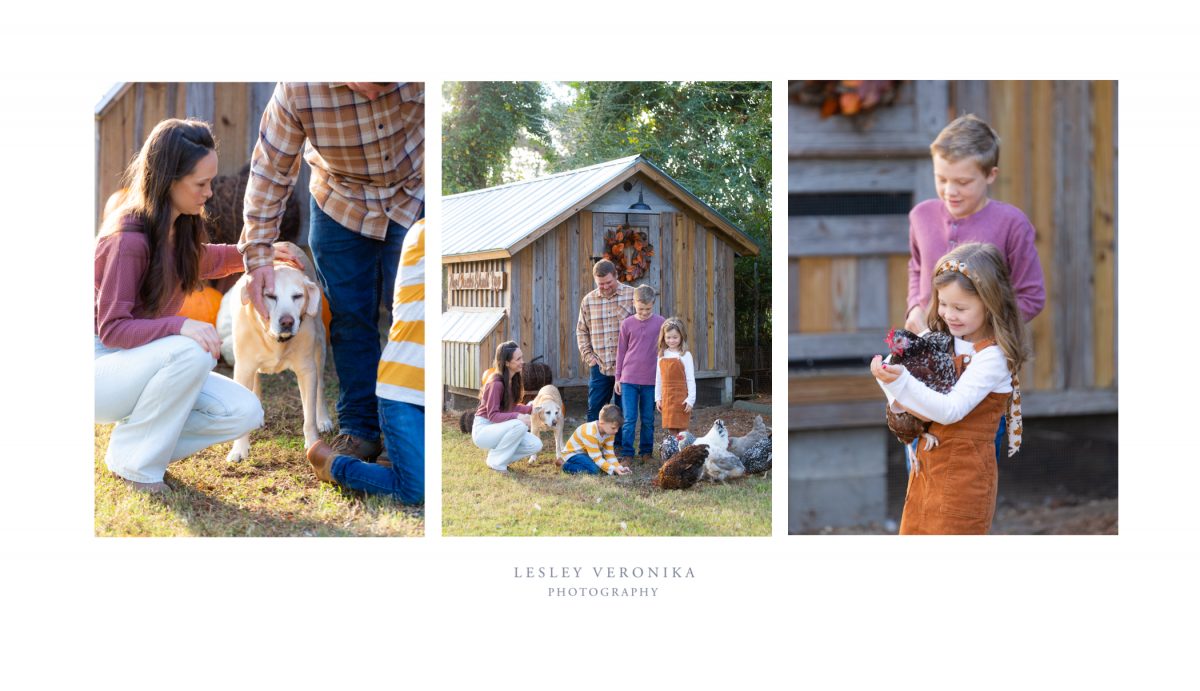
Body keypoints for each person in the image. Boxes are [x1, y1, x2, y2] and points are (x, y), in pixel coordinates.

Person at [239, 82, 424, 461]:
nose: (378, 91)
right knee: (350, 317)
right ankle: (360, 429)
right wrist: (258, 257)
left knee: (411, 318)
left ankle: (407, 432)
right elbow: (271, 171)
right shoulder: (298, 87)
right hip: (340, 201)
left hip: (413, 192)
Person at [94, 118, 272, 493]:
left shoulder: (178, 226)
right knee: (193, 348)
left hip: (145, 362)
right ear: (169, 180)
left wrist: (256, 253)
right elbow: (112, 328)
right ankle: (136, 466)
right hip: (101, 368)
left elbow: (200, 260)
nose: (209, 192)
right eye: (201, 184)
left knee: (244, 412)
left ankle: (133, 445)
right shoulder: (127, 240)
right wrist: (179, 326)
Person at [904, 113, 1045, 462]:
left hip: (978, 376)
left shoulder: (1011, 224)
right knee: (923, 467)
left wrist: (988, 338)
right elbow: (917, 268)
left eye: (963, 181)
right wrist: (915, 309)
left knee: (970, 476)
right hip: (926, 366)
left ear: (990, 175)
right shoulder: (921, 216)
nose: (951, 190)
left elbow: (1031, 295)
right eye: (942, 179)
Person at [872, 242, 1028, 534]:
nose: (948, 314)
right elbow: (897, 377)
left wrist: (899, 382)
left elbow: (950, 410)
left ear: (990, 304)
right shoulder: (939, 338)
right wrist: (890, 384)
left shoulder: (992, 357)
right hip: (925, 471)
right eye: (943, 303)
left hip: (964, 481)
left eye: (960, 307)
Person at [305, 220, 426, 503]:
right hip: (404, 396)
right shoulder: (422, 235)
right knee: (416, 489)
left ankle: (396, 454)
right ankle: (334, 465)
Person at [575, 259, 635, 447]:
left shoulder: (632, 296)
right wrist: (588, 357)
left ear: (616, 276)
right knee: (595, 409)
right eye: (600, 284)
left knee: (622, 409)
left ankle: (618, 447)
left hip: (625, 367)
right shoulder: (588, 300)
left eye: (608, 283)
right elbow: (581, 330)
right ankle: (592, 444)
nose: (605, 287)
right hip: (599, 365)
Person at [469, 341, 542, 473]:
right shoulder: (496, 383)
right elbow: (493, 415)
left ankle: (495, 458)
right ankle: (497, 463)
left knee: (536, 445)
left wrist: (530, 409)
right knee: (519, 425)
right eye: (518, 359)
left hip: (499, 428)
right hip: (483, 430)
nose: (522, 362)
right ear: (507, 363)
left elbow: (509, 406)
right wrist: (518, 416)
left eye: (522, 357)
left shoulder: (512, 380)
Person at [614, 285, 666, 462]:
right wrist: (618, 378)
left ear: (653, 304)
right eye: (641, 308)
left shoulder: (661, 323)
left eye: (648, 309)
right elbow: (621, 352)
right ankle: (627, 453)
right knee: (629, 420)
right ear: (634, 303)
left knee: (648, 419)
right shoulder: (627, 324)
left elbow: (665, 350)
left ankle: (646, 453)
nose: (644, 312)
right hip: (628, 379)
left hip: (651, 381)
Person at [560, 405, 630, 476]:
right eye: (613, 428)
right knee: (594, 470)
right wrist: (613, 469)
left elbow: (609, 454)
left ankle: (581, 463)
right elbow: (597, 458)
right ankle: (565, 466)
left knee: (602, 466)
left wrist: (619, 467)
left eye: (618, 428)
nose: (616, 431)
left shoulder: (610, 432)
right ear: (602, 422)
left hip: (587, 454)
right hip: (573, 454)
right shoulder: (590, 433)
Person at [655, 317, 696, 436]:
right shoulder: (662, 355)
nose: (671, 340)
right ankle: (674, 453)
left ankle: (686, 453)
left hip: (681, 398)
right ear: (663, 337)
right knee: (671, 429)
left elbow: (690, 379)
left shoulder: (685, 355)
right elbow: (658, 379)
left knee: (683, 430)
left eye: (675, 337)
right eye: (668, 337)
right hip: (667, 398)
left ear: (681, 336)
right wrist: (658, 398)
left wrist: (690, 400)